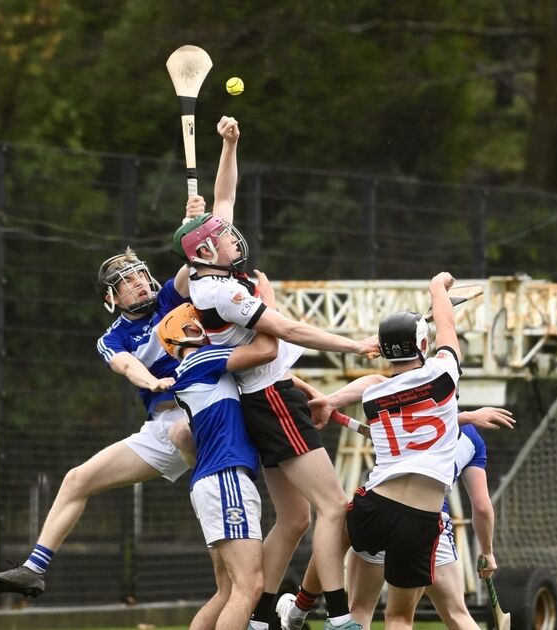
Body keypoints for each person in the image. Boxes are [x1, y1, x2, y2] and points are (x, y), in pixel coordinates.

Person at [173, 116, 377, 630]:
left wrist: (229, 146)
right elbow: (287, 331)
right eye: (222, 237)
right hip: (271, 398)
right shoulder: (223, 291)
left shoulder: (211, 267)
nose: (233, 236)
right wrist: (354, 344)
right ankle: (339, 617)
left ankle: (261, 617)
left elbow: (224, 198)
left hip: (268, 397)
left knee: (294, 518)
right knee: (334, 507)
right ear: (204, 252)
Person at [0, 197, 205, 598]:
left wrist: (193, 225)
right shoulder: (113, 338)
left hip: (204, 409)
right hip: (163, 424)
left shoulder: (172, 297)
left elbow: (197, 259)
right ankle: (33, 569)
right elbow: (126, 366)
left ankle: (217, 507)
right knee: (77, 479)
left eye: (140, 275)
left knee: (185, 434)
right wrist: (152, 382)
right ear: (112, 298)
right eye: (127, 282)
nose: (139, 283)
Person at [301, 271, 464, 630]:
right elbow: (447, 325)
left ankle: (303, 607)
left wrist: (331, 400)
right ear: (424, 345)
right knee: (399, 617)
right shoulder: (444, 374)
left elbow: (374, 380)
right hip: (419, 517)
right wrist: (437, 286)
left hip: (374, 504)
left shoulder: (374, 395)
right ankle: (306, 608)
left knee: (336, 531)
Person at [276, 412, 511, 629]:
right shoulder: (473, 439)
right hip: (428, 524)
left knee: (359, 607)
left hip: (379, 510)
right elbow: (482, 507)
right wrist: (487, 551)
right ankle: (299, 607)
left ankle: (300, 607)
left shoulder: (407, 411)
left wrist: (330, 402)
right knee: (450, 614)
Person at [156, 301, 278, 630]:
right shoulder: (202, 358)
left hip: (214, 482)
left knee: (227, 592)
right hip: (226, 479)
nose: (205, 327)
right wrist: (265, 307)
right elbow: (267, 350)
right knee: (249, 586)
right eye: (195, 324)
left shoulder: (198, 367)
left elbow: (181, 434)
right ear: (180, 333)